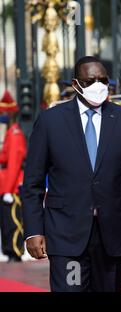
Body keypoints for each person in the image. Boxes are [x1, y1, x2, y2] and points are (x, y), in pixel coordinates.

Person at [22, 56, 121, 292]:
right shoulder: (51, 121)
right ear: (76, 84)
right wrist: (33, 231)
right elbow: (32, 182)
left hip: (111, 234)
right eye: (90, 80)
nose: (98, 85)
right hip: (66, 234)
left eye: (103, 80)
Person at [0, 90, 27, 263]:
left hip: (12, 186)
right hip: (5, 184)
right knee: (5, 222)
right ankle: (10, 251)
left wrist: (9, 189)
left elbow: (14, 164)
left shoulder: (15, 134)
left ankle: (15, 251)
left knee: (13, 222)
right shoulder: (9, 133)